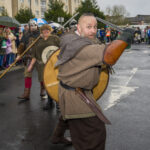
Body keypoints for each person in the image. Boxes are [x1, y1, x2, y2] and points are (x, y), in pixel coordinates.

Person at [55, 13, 133, 150]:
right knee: (93, 134)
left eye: (95, 27)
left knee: (68, 118)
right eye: (89, 27)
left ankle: (57, 136)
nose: (93, 30)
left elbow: (101, 47)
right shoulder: (82, 47)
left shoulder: (73, 39)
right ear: (78, 27)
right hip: (76, 97)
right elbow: (109, 56)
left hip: (70, 92)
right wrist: (124, 38)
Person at [27, 24, 60, 108]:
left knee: (56, 82)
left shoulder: (55, 38)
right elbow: (34, 55)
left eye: (47, 30)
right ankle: (50, 102)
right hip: (42, 66)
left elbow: (62, 49)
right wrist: (30, 65)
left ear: (50, 30)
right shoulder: (38, 40)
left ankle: (58, 102)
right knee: (46, 83)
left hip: (54, 65)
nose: (45, 31)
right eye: (43, 30)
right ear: (41, 31)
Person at [16, 23, 40, 101]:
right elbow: (21, 45)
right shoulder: (26, 35)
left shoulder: (41, 35)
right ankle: (26, 93)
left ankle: (43, 90)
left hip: (39, 58)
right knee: (27, 74)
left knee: (42, 75)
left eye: (34, 25)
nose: (32, 27)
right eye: (31, 25)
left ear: (37, 26)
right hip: (29, 58)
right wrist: (19, 54)